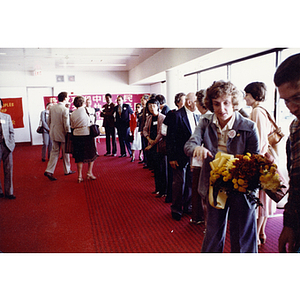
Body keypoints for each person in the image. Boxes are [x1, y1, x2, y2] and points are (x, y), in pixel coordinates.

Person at [184, 81, 260, 253]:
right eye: (216, 104)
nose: (221, 109)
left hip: (241, 187)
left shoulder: (249, 127)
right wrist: (197, 148)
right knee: (213, 233)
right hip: (214, 185)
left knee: (242, 236)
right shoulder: (205, 122)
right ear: (210, 104)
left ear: (233, 103)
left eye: (226, 103)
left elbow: (255, 161)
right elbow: (189, 145)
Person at [244, 81, 277, 247]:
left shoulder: (256, 111)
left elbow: (260, 140)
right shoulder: (263, 110)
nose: (245, 98)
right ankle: (261, 232)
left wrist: (254, 160)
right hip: (267, 158)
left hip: (260, 160)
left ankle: (256, 235)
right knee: (264, 198)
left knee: (259, 199)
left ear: (254, 95)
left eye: (247, 95)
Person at [274, 53, 300, 253]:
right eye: (286, 101)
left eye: (297, 98)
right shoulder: (295, 129)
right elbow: (296, 181)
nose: (292, 108)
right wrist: (289, 224)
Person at [168, 92, 200, 221]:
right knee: (179, 183)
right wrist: (171, 157)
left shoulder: (197, 116)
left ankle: (188, 206)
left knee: (190, 182)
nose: (197, 105)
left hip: (193, 156)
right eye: (196, 102)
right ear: (189, 102)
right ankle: (176, 208)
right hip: (179, 155)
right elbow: (170, 138)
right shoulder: (176, 116)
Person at [189, 89, 211, 225]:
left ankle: (200, 218)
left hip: (203, 161)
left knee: (200, 190)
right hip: (200, 158)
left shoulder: (205, 118)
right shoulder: (203, 117)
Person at [44, 92, 75, 181]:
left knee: (54, 152)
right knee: (65, 153)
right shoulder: (64, 109)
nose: (69, 98)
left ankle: (49, 170)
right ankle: (67, 170)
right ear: (65, 98)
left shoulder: (52, 107)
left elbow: (48, 121)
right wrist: (68, 133)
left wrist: (51, 129)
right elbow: (66, 124)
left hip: (53, 132)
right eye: (68, 97)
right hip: (62, 134)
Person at [162, 92, 186, 203]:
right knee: (174, 177)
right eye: (184, 100)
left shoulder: (192, 116)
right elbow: (165, 132)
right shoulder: (172, 114)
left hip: (187, 152)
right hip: (175, 150)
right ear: (178, 102)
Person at [70, 96, 98, 183]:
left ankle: (79, 176)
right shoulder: (86, 110)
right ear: (83, 103)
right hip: (86, 134)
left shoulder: (73, 113)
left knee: (79, 157)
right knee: (92, 154)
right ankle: (89, 172)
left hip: (76, 135)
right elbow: (90, 122)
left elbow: (72, 126)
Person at [143, 97, 167, 197]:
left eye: (153, 106)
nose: (152, 108)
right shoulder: (149, 118)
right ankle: (157, 189)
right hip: (152, 146)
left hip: (160, 147)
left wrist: (153, 143)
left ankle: (164, 191)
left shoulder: (162, 118)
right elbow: (144, 130)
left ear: (158, 106)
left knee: (162, 169)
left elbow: (161, 133)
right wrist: (148, 139)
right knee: (156, 168)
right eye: (149, 106)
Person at [0, 98, 16, 199]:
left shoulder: (6, 117)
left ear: (1, 106)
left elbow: (11, 132)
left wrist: (12, 144)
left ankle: (9, 192)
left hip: (6, 145)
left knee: (8, 169)